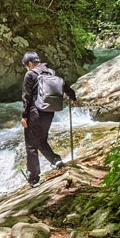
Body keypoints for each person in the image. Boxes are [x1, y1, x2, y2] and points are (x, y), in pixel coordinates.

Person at [20, 51, 77, 187]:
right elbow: (65, 86)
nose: (26, 68)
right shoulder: (51, 72)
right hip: (49, 111)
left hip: (35, 112)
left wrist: (24, 116)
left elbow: (26, 97)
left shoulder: (30, 74)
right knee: (41, 140)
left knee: (31, 145)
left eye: (26, 65)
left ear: (29, 63)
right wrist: (73, 97)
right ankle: (55, 160)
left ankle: (34, 177)